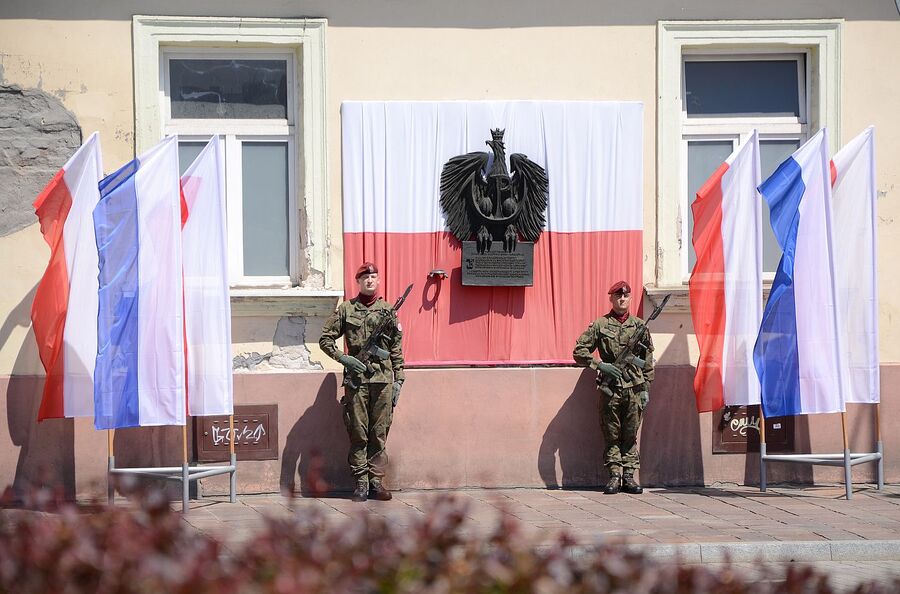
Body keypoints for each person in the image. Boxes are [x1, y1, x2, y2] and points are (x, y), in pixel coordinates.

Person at [319, 262, 405, 502]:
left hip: (383, 381)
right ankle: (360, 483)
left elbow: (396, 348)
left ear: (378, 281)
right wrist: (345, 359)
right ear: (358, 281)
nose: (370, 280)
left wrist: (399, 379)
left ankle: (376, 482)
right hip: (356, 382)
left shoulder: (388, 311)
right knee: (358, 433)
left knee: (379, 433)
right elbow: (325, 339)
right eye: (365, 277)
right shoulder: (346, 310)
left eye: (374, 276)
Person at [573, 281, 654, 495]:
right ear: (611, 298)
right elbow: (579, 351)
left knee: (630, 434)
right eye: (618, 296)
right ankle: (614, 475)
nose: (622, 299)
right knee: (611, 433)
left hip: (634, 388)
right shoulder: (600, 325)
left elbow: (647, 361)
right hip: (611, 389)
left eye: (625, 296)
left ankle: (629, 476)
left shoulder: (639, 326)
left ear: (630, 298)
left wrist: (646, 388)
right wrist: (601, 365)